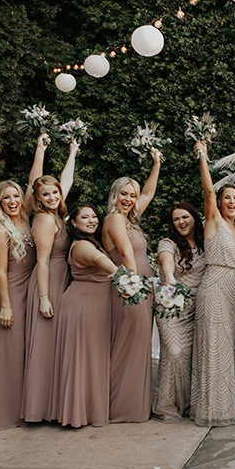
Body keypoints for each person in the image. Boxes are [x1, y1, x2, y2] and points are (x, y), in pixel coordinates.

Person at [20, 135, 79, 423]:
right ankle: (39, 408)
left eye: (55, 193)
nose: (54, 197)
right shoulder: (43, 219)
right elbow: (42, 261)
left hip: (60, 279)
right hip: (48, 282)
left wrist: (73, 152)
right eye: (47, 195)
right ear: (39, 199)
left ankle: (53, 406)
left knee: (56, 345)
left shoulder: (57, 214)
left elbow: (64, 182)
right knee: (45, 345)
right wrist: (44, 298)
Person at [102, 149, 161, 423]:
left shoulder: (129, 219)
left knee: (139, 346)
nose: (129, 199)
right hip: (130, 290)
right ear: (115, 195)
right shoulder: (114, 219)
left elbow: (148, 193)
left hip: (140, 287)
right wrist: (136, 289)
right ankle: (121, 408)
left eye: (132, 195)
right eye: (124, 194)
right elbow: (126, 256)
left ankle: (134, 405)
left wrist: (157, 164)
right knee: (128, 346)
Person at [190, 141, 235, 427]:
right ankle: (211, 410)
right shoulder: (214, 220)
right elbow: (208, 191)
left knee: (228, 347)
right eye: (227, 198)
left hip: (233, 291)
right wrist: (204, 157)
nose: (231, 202)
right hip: (213, 288)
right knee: (213, 347)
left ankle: (226, 407)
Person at [55, 203, 120, 428]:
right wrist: (127, 280)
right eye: (85, 217)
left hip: (93, 306)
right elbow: (100, 261)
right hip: (82, 308)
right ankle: (77, 414)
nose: (92, 220)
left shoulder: (90, 241)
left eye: (94, 216)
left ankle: (90, 411)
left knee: (92, 360)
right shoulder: (82, 246)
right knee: (83, 361)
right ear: (73, 222)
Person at [0, 180, 36, 431]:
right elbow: (1, 271)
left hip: (29, 291)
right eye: (7, 198)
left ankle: (25, 408)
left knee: (23, 353)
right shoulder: (1, 230)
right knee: (8, 354)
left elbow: (34, 181)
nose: (13, 201)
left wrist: (40, 148)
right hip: (10, 293)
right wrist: (6, 306)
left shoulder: (24, 221)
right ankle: (3, 412)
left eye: (16, 196)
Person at [152, 203, 205, 421]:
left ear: (194, 218)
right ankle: (167, 405)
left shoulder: (205, 245)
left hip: (197, 309)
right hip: (171, 305)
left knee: (190, 356)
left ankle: (188, 405)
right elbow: (166, 261)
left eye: (185, 217)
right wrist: (170, 280)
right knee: (174, 352)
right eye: (176, 219)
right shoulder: (168, 243)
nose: (181, 222)